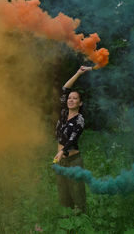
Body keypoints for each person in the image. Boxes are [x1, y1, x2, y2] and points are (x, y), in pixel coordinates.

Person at [53, 65, 92, 213]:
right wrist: (78, 73)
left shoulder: (80, 120)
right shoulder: (63, 112)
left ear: (80, 103)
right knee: (63, 195)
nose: (71, 100)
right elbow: (65, 89)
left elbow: (71, 139)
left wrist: (62, 152)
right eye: (70, 98)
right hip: (60, 159)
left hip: (73, 161)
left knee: (78, 194)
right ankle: (67, 221)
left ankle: (82, 221)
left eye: (75, 99)